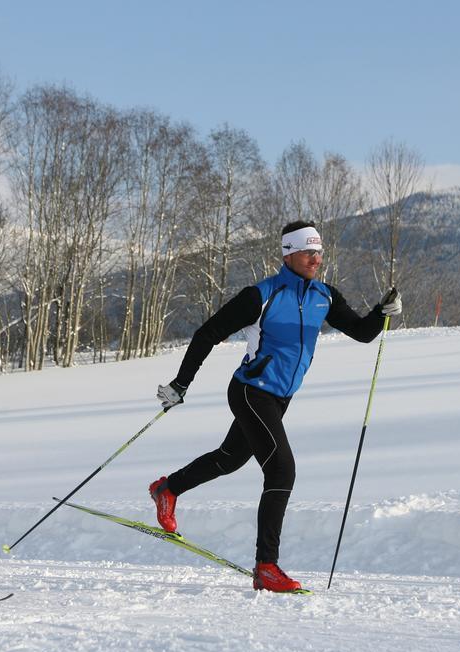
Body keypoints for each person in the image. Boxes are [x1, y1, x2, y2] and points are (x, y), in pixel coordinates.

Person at [150, 221, 401, 592]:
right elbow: (208, 333)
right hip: (251, 391)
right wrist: (180, 384)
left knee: (229, 458)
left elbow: (362, 332)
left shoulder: (324, 297)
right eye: (307, 252)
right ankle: (267, 566)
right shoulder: (262, 295)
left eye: (319, 252)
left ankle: (168, 489)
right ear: (288, 254)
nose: (316, 259)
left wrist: (383, 311)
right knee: (282, 471)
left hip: (279, 398)